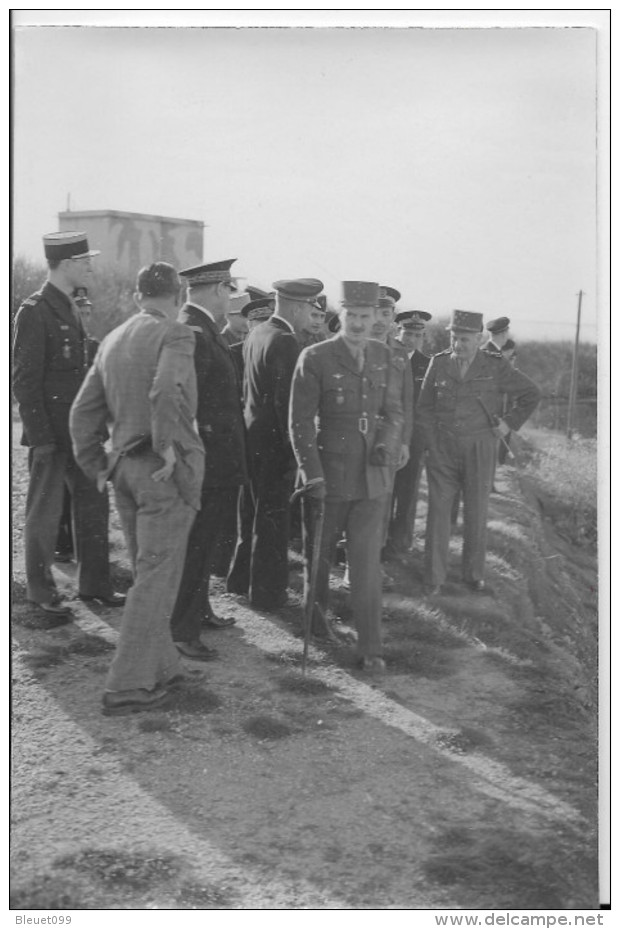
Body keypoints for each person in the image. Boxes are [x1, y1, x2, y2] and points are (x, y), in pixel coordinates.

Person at [70, 262, 205, 714]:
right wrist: (167, 446)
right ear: (180, 294)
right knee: (155, 580)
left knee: (149, 572)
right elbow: (166, 388)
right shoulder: (177, 333)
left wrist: (97, 465)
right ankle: (127, 685)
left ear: (136, 295)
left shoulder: (112, 339)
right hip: (162, 473)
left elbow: (81, 413)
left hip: (124, 470)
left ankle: (163, 666)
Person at [289, 280, 404, 674]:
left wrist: (387, 444)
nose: (357, 323)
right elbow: (299, 423)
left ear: (376, 318)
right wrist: (311, 475)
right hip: (329, 477)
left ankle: (370, 648)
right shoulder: (315, 356)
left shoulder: (383, 355)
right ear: (341, 315)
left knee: (366, 564)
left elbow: (395, 412)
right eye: (351, 316)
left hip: (372, 478)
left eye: (365, 316)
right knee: (318, 560)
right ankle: (316, 626)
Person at [13, 231, 123, 623]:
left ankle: (96, 584)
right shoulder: (36, 310)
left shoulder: (72, 307)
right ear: (68, 264)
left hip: (82, 433)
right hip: (53, 437)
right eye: (86, 261)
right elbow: (24, 381)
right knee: (44, 513)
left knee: (94, 503)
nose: (91, 267)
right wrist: (41, 438)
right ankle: (41, 592)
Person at [416, 309, 540, 595]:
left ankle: (472, 574)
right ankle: (433, 578)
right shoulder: (439, 363)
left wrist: (508, 423)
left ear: (480, 338)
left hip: (480, 447)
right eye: (455, 338)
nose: (459, 344)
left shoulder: (495, 366)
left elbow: (531, 393)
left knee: (476, 510)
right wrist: (432, 444)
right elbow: (424, 409)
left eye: (466, 339)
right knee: (438, 512)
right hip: (443, 449)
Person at [227, 278, 324, 611]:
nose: (310, 314)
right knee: (272, 520)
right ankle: (267, 594)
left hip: (252, 437)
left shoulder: (258, 332)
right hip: (274, 446)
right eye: (310, 308)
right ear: (297, 306)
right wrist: (295, 453)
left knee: (251, 512)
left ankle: (240, 579)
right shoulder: (286, 341)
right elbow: (288, 406)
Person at [169, 259, 248, 660]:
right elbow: (186, 404)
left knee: (205, 541)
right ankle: (182, 630)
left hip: (215, 460)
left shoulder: (201, 327)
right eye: (228, 291)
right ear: (218, 289)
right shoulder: (194, 330)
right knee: (197, 544)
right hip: (207, 461)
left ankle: (198, 611)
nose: (229, 299)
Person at [369, 287, 412, 565]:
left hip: (390, 437)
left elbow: (407, 403)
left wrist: (405, 441)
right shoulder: (355, 344)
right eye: (376, 312)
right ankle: (351, 561)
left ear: (393, 317)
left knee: (383, 498)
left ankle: (374, 558)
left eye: (386, 313)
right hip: (357, 433)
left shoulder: (400, 354)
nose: (380, 319)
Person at [389, 309, 433, 551]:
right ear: (398, 332)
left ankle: (401, 541)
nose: (411, 340)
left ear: (423, 338)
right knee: (384, 488)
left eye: (417, 336)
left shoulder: (427, 365)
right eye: (407, 333)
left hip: (414, 436)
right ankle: (381, 537)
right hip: (388, 432)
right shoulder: (387, 357)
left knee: (408, 489)